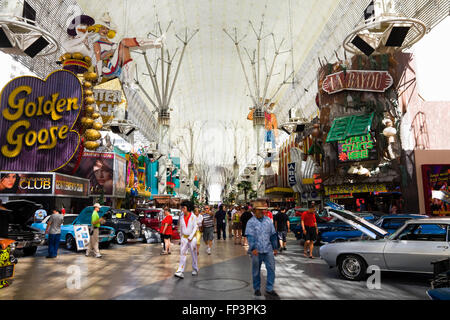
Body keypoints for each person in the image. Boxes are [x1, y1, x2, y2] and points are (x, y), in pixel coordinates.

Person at [245, 206, 279, 297]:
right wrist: (253, 248)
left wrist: (275, 248)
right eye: (259, 210)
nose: (261, 211)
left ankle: (269, 288)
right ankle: (257, 288)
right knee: (256, 271)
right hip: (257, 250)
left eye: (262, 210)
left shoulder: (268, 220)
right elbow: (250, 236)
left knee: (271, 268)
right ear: (255, 211)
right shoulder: (251, 222)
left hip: (268, 249)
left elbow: (273, 235)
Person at [174, 200, 198, 279]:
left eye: (183, 207)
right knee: (182, 254)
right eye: (182, 207)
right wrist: (181, 238)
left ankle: (195, 269)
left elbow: (195, 227)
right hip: (184, 238)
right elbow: (181, 228)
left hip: (192, 239)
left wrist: (191, 237)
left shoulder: (193, 216)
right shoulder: (181, 217)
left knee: (193, 254)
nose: (182, 209)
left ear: (188, 208)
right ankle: (180, 270)